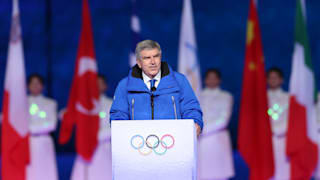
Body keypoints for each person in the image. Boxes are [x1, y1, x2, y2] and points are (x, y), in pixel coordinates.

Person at [110, 39, 203, 135]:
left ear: (160, 57)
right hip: (138, 143)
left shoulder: (180, 81)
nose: (153, 62)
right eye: (147, 58)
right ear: (139, 62)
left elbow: (191, 107)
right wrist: (120, 130)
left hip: (173, 141)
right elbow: (118, 114)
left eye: (156, 56)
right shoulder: (124, 85)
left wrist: (195, 123)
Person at [71, 75, 113, 180]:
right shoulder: (83, 104)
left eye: (100, 83)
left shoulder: (112, 104)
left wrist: (94, 137)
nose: (97, 86)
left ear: (105, 86)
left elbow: (114, 126)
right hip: (85, 148)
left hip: (104, 147)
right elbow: (67, 115)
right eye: (95, 83)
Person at [198, 69, 235, 180]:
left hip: (217, 139)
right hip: (200, 141)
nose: (212, 80)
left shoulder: (226, 96)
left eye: (214, 78)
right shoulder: (197, 96)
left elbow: (223, 120)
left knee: (219, 174)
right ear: (205, 80)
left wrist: (202, 130)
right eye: (209, 77)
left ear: (219, 80)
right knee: (200, 173)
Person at [26, 74, 58, 180]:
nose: (35, 86)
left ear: (42, 86)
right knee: (29, 172)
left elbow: (52, 124)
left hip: (44, 141)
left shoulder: (50, 103)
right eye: (32, 83)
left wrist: (30, 128)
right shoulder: (21, 102)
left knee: (45, 171)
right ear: (28, 86)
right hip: (27, 142)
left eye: (37, 83)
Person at [267, 67, 290, 180]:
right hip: (265, 141)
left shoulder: (289, 98)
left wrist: (278, 131)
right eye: (270, 77)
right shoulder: (261, 98)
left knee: (283, 173)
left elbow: (293, 119)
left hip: (284, 140)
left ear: (282, 80)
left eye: (275, 77)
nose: (273, 80)